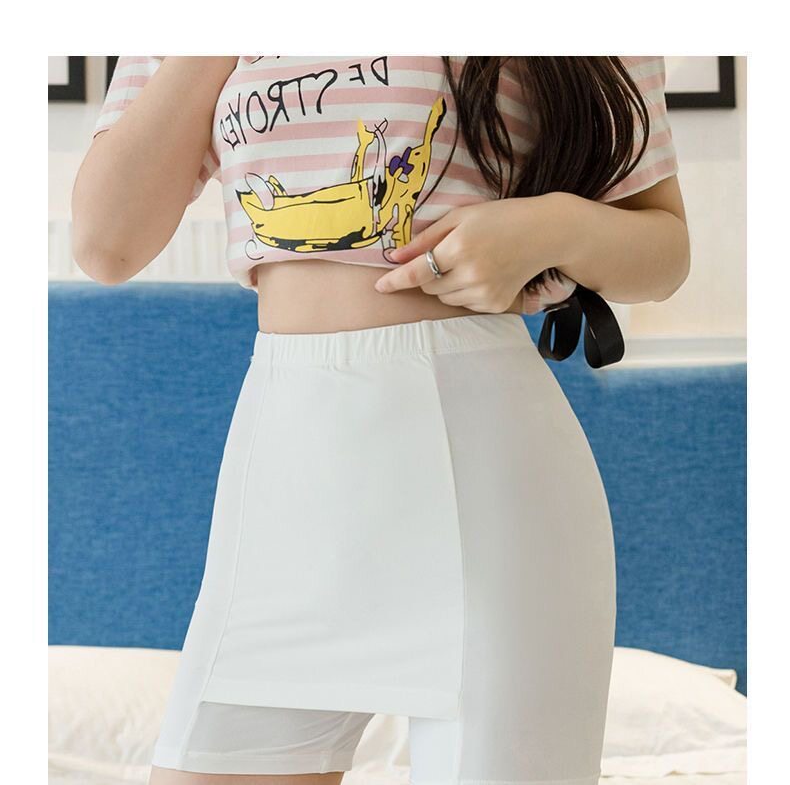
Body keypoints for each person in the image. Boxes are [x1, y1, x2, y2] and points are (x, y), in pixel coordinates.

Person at [72, 55, 690, 785]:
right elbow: (105, 244)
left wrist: (548, 226)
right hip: (283, 476)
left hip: (485, 476)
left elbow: (664, 251)